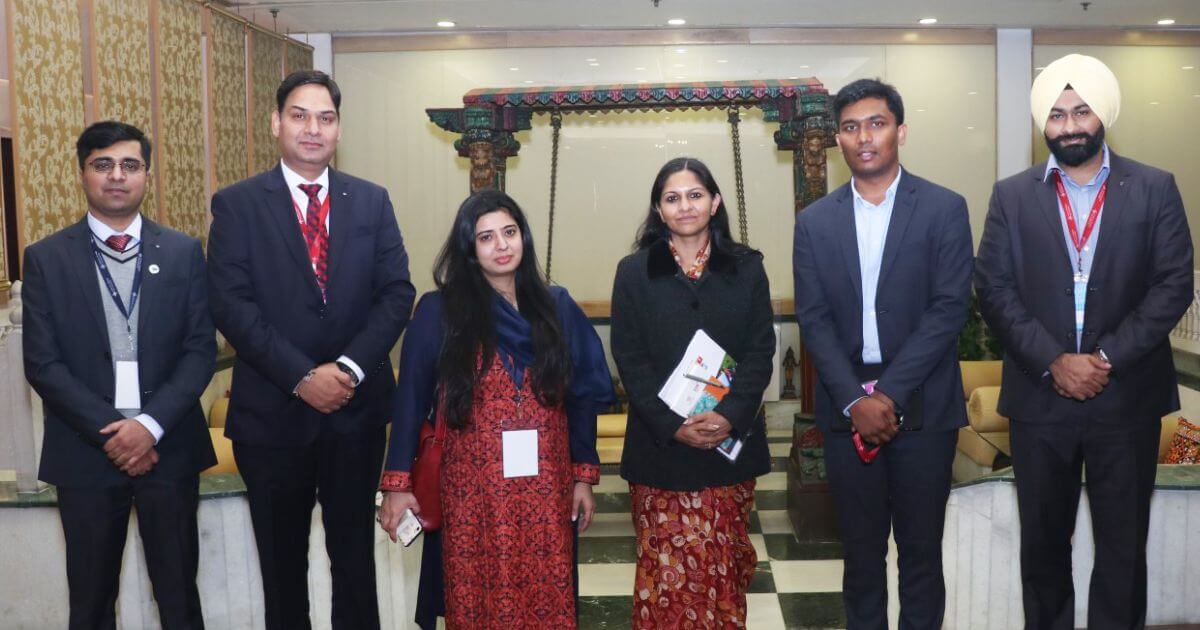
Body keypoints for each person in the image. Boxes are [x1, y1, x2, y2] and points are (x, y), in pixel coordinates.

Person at [975, 54, 1193, 630]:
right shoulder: (1012, 196)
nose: (1069, 125)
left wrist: (1104, 359)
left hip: (1127, 399)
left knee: (1123, 551)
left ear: (1104, 117)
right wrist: (1053, 361)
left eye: (1081, 112)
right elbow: (992, 288)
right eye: (1055, 115)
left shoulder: (1153, 188)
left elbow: (1174, 285)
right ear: (1041, 124)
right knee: (1043, 551)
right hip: (1040, 399)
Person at [206, 70, 415, 630]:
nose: (312, 128)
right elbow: (230, 305)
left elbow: (397, 293)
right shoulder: (237, 205)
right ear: (277, 122)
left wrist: (345, 369)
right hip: (272, 419)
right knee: (281, 567)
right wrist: (302, 376)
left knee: (354, 563)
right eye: (299, 115)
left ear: (339, 128)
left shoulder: (371, 201)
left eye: (325, 117)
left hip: (357, 413)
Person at [377, 189, 614, 629]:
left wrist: (583, 476)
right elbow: (409, 398)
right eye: (486, 237)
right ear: (469, 249)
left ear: (523, 237)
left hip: (546, 488)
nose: (501, 245)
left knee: (548, 594)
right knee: (477, 599)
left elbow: (581, 398)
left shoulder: (556, 307)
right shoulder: (440, 311)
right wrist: (396, 483)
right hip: (472, 491)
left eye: (509, 232)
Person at [792, 78, 974, 629]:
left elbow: (948, 310)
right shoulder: (814, 222)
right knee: (861, 558)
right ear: (836, 140)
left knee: (921, 556)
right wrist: (855, 400)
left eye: (876, 123)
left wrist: (889, 395)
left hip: (924, 405)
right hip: (847, 409)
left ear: (900, 130)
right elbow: (814, 319)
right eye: (850, 127)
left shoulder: (944, 208)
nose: (863, 137)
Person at [22, 121, 216, 629]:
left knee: (178, 598)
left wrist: (148, 427)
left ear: (147, 175)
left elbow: (199, 350)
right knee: (89, 603)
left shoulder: (181, 252)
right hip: (85, 452)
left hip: (169, 447)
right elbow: (43, 363)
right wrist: (115, 433)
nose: (116, 176)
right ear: (83, 173)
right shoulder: (46, 259)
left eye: (129, 165)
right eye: (102, 164)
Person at [610, 157, 774, 628]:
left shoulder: (746, 268)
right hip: (661, 450)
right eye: (672, 197)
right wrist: (672, 424)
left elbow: (761, 350)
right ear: (659, 210)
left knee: (724, 571)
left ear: (715, 201)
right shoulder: (634, 271)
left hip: (729, 447)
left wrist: (730, 415)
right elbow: (630, 358)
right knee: (664, 576)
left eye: (695, 194)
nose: (685, 206)